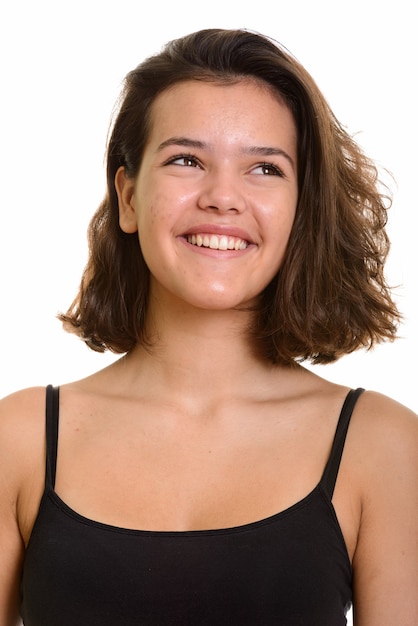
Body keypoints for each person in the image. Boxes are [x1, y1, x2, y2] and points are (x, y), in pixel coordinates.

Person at [0, 28, 417, 626]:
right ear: (128, 196)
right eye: (186, 160)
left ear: (302, 207)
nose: (224, 197)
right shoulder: (18, 441)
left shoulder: (382, 446)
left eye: (265, 169)